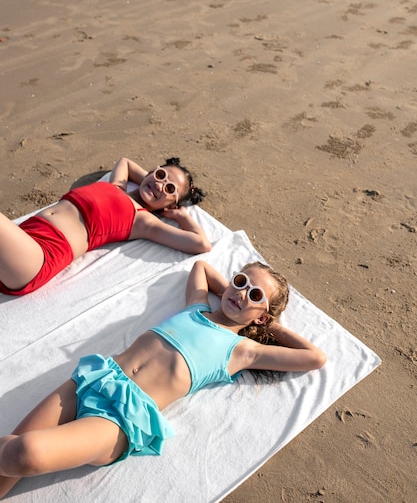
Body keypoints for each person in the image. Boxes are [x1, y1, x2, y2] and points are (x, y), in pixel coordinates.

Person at [0, 259, 326, 498]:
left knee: (21, 453)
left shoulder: (242, 349)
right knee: (6, 462)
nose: (242, 294)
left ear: (264, 315)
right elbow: (201, 268)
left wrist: (269, 324)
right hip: (96, 379)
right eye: (240, 282)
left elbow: (315, 358)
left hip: (120, 420)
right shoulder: (196, 308)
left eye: (255, 295)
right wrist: (240, 293)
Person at [0, 156, 211, 296]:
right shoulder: (115, 185)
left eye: (169, 188)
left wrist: (182, 216)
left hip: (42, 254)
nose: (159, 184)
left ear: (171, 204)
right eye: (161, 175)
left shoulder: (143, 221)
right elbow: (125, 162)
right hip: (27, 234)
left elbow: (201, 244)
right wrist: (153, 181)